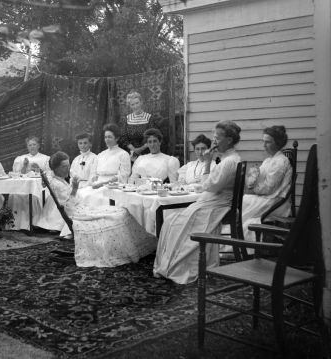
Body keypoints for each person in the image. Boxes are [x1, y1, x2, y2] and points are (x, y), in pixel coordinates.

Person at [153, 120, 242, 284]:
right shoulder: (226, 159)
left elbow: (210, 186)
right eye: (214, 137)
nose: (214, 141)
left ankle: (178, 265)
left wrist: (207, 162)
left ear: (229, 140)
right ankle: (169, 263)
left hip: (217, 205)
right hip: (211, 201)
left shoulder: (230, 161)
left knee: (176, 222)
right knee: (172, 220)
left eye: (217, 138)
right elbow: (209, 185)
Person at [48, 151, 156, 267]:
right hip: (77, 214)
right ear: (56, 168)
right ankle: (121, 252)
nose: (68, 169)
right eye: (64, 166)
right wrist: (74, 189)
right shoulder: (57, 184)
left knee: (121, 210)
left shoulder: (59, 179)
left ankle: (132, 247)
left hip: (83, 208)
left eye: (68, 165)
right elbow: (68, 208)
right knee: (117, 216)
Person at [241, 126, 293, 242]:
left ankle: (238, 242)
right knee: (241, 200)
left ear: (278, 143)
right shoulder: (269, 160)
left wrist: (253, 188)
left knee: (241, 202)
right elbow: (260, 180)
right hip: (266, 197)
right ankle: (235, 238)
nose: (264, 145)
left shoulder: (281, 161)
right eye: (263, 141)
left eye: (268, 142)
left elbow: (269, 188)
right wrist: (252, 178)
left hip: (275, 201)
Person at [75, 123, 131, 206]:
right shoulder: (101, 155)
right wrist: (93, 183)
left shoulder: (123, 154)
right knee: (81, 194)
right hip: (97, 185)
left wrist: (102, 184)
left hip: (113, 188)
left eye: (110, 137)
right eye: (105, 137)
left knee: (93, 197)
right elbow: (93, 173)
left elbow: (123, 176)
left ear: (117, 138)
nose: (107, 139)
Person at [7, 136, 50, 230]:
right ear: (27, 147)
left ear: (38, 146)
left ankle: (34, 223)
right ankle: (17, 225)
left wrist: (39, 169)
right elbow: (18, 174)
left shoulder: (45, 158)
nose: (32, 147)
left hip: (39, 185)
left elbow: (49, 175)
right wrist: (25, 166)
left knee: (33, 196)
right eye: (30, 145)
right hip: (23, 185)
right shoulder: (21, 158)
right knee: (15, 195)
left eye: (34, 144)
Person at [119, 91, 158, 161]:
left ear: (141, 102)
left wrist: (140, 149)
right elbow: (123, 138)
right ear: (129, 106)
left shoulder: (149, 118)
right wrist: (134, 150)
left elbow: (153, 136)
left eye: (137, 103)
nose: (135, 106)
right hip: (130, 153)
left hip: (147, 152)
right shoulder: (127, 119)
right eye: (132, 104)